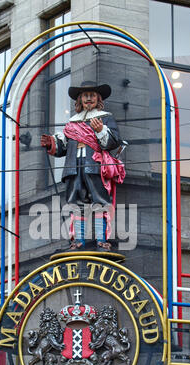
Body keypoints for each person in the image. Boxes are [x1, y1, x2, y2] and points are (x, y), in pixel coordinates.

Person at [41, 81, 125, 251]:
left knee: (100, 202)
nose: (88, 99)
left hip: (95, 165)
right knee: (75, 203)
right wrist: (52, 143)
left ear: (98, 98)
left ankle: (102, 240)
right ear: (79, 99)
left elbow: (113, 141)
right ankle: (79, 241)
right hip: (73, 167)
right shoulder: (72, 122)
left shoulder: (105, 117)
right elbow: (63, 145)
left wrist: (101, 130)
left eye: (92, 95)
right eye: (85, 96)